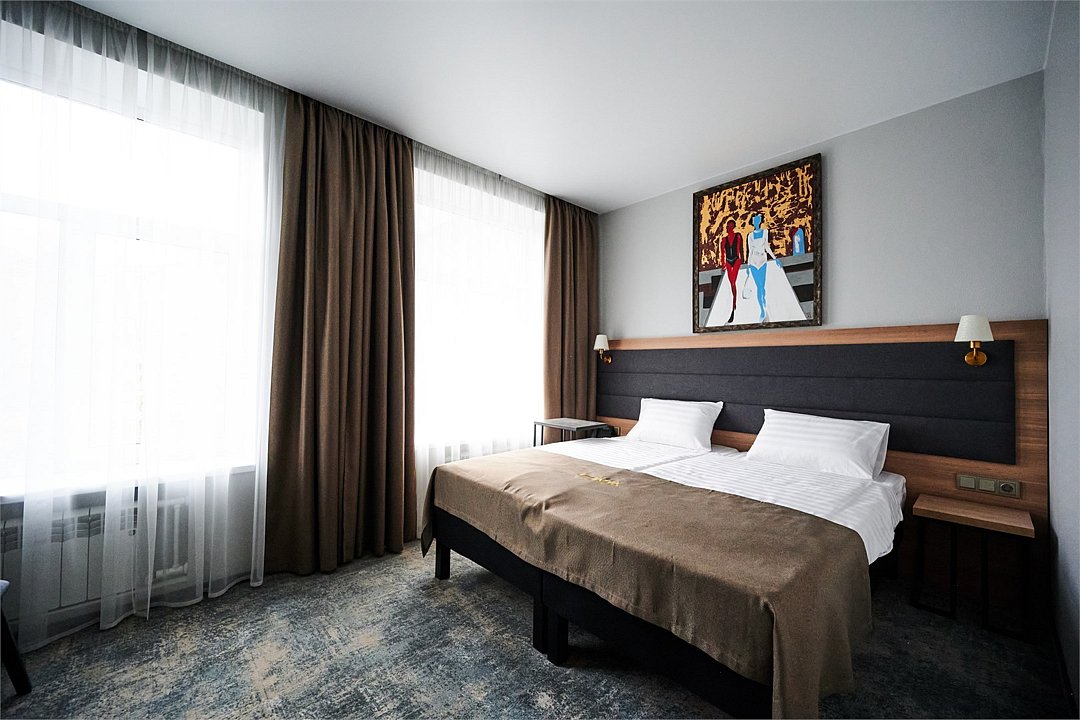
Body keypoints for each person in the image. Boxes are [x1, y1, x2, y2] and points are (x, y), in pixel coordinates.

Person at [744, 212, 782, 322]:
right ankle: (762, 309)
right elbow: (750, 251)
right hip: (753, 262)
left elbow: (767, 247)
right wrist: (748, 266)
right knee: (759, 286)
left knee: (762, 286)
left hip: (762, 260)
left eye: (758, 219)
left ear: (760, 221)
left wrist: (775, 258)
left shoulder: (765, 232)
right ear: (752, 221)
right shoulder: (750, 235)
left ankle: (763, 303)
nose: (756, 221)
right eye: (755, 220)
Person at [718, 219, 744, 324]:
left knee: (733, 282)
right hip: (728, 262)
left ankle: (733, 308)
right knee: (732, 283)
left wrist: (743, 260)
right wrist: (723, 264)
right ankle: (734, 304)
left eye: (730, 226)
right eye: (728, 226)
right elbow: (722, 253)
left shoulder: (738, 236)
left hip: (736, 260)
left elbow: (740, 248)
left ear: (733, 227)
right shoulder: (724, 240)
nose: (728, 228)